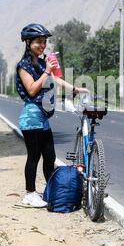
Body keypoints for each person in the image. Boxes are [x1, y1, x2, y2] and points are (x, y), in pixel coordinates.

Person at [15, 23, 88, 207]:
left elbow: (54, 79)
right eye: (38, 42)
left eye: (44, 41)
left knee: (49, 156)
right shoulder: (23, 65)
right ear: (28, 42)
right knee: (34, 156)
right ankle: (30, 194)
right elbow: (31, 89)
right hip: (31, 116)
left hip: (43, 118)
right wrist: (47, 70)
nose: (42, 45)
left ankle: (51, 190)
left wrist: (75, 89)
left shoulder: (40, 62)